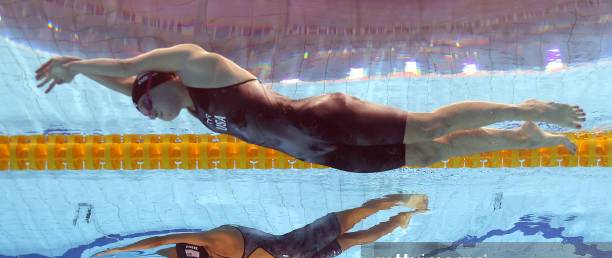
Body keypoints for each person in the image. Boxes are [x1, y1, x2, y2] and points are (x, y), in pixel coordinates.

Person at [35, 44, 586, 173]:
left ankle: (525, 105)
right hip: (324, 155)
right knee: (430, 155)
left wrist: (84, 60)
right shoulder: (189, 105)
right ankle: (526, 134)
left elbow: (148, 64)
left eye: (145, 101)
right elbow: (136, 85)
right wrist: (85, 76)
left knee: (435, 124)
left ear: (159, 82)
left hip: (326, 119)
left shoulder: (203, 71)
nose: (145, 113)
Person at [93, 194, 428, 258]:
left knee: (360, 228)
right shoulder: (206, 246)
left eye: (185, 254)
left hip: (300, 253)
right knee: (360, 224)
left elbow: (159, 252)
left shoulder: (211, 246)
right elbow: (161, 252)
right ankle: (405, 207)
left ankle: (403, 209)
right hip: (299, 249)